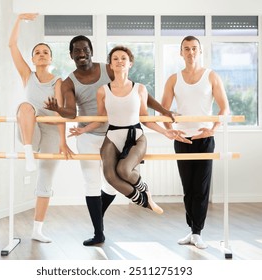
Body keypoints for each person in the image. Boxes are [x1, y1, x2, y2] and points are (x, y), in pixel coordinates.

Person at [45, 35, 177, 246]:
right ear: (70, 55)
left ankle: (100, 216)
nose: (81, 54)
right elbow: (70, 112)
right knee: (92, 184)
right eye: (76, 51)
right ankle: (99, 232)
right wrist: (57, 109)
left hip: (117, 135)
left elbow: (140, 95)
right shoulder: (69, 81)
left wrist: (163, 110)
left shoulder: (109, 68)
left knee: (113, 183)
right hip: (88, 136)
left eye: (85, 49)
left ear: (91, 51)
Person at [68, 45, 181, 215]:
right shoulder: (103, 91)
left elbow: (144, 118)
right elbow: (101, 119)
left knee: (123, 170)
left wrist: (165, 132)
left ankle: (146, 191)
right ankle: (142, 199)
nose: (119, 61)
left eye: (123, 58)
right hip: (113, 135)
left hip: (136, 136)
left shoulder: (140, 89)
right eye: (115, 59)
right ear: (111, 66)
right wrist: (83, 131)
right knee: (110, 176)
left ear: (130, 64)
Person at [161, 35, 230, 249]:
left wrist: (212, 130)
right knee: (188, 188)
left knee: (201, 188)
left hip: (204, 139)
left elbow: (224, 108)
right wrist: (171, 132)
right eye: (186, 49)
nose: (190, 52)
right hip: (183, 139)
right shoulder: (173, 79)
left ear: (200, 52)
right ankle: (191, 230)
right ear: (181, 53)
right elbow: (163, 111)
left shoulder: (211, 76)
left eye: (194, 48)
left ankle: (197, 232)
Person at [9, 13, 72, 243]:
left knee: (45, 182)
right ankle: (27, 152)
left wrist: (63, 141)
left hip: (51, 133)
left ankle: (37, 230)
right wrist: (19, 19)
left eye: (46, 52)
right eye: (37, 52)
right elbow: (12, 45)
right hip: (30, 132)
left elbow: (59, 113)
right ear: (33, 59)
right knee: (25, 106)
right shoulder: (28, 75)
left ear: (51, 58)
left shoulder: (58, 81)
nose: (42, 54)